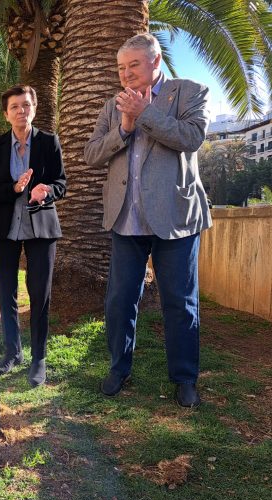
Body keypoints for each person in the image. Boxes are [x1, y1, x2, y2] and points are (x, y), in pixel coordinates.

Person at [84, 33, 211, 408]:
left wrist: (145, 115)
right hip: (127, 220)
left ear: (155, 62)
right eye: (121, 67)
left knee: (180, 302)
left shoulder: (189, 92)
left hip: (176, 217)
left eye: (133, 65)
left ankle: (185, 378)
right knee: (120, 300)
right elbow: (92, 154)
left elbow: (192, 137)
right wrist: (123, 127)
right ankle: (118, 368)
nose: (125, 74)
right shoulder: (113, 105)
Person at [0, 85, 66, 387]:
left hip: (41, 229)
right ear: (6, 114)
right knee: (7, 292)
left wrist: (45, 191)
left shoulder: (48, 142)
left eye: (26, 105)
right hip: (5, 230)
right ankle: (12, 352)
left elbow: (61, 183)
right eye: (15, 106)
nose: (21, 111)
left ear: (34, 108)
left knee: (40, 293)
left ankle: (38, 358)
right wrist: (15, 189)